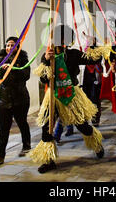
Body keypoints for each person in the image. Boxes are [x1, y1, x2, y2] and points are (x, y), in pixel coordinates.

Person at [29, 24, 107, 173]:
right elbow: (44, 80)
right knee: (47, 128)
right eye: (57, 37)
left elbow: (94, 60)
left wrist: (93, 45)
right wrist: (46, 61)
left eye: (63, 37)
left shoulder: (73, 54)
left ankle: (96, 144)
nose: (59, 40)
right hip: (52, 97)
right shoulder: (48, 56)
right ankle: (48, 160)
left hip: (72, 96)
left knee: (82, 126)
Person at [0, 36, 32, 164]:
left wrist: (12, 68)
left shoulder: (23, 60)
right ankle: (0, 154)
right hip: (4, 100)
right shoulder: (2, 61)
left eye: (12, 45)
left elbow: (26, 75)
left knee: (22, 123)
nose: (9, 47)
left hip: (20, 99)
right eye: (7, 45)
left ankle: (26, 145)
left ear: (17, 47)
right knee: (4, 128)